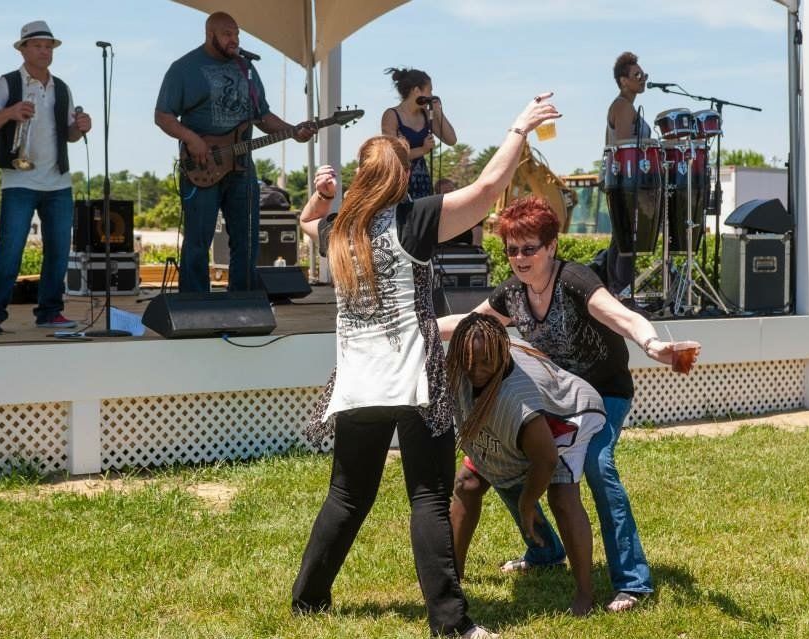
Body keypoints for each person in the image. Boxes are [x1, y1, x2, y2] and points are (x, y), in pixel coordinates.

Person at [293, 95, 560, 638]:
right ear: (399, 177)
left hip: (355, 384)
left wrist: (320, 196)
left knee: (346, 496)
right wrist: (519, 126)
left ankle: (308, 601)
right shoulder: (412, 220)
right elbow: (487, 191)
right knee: (428, 498)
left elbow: (306, 224)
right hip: (414, 381)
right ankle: (451, 624)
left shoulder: (339, 231)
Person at [439, 195, 700, 613]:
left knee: (597, 466)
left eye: (530, 248)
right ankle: (543, 549)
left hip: (602, 394)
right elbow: (467, 323)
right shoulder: (513, 293)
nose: (520, 258)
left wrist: (653, 345)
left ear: (551, 247)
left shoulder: (575, 280)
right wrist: (413, 332)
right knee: (494, 462)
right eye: (512, 249)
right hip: (555, 396)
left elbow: (622, 316)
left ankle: (633, 583)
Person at [446, 313, 606, 616]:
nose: (475, 370)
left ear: (501, 355)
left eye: (484, 363)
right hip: (528, 426)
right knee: (467, 483)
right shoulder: (461, 367)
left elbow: (544, 461)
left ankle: (585, 593)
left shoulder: (519, 402)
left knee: (561, 497)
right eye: (469, 361)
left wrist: (527, 503)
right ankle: (452, 578)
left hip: (566, 417)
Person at [155, 11, 313, 293]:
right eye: (227, 34)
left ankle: (242, 302)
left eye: (237, 34)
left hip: (241, 168)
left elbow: (262, 116)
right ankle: (195, 305)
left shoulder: (246, 68)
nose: (234, 39)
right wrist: (191, 138)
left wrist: (293, 131)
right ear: (210, 34)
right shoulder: (184, 68)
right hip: (202, 165)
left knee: (247, 239)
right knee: (198, 239)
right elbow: (163, 116)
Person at [0, 20, 92, 333]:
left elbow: (68, 136)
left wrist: (79, 126)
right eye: (38, 45)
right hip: (19, 180)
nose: (44, 51)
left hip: (58, 181)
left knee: (58, 251)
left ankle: (50, 311)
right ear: (23, 49)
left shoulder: (62, 87)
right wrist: (10, 113)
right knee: (10, 249)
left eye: (48, 46)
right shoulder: (6, 83)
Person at [604, 51, 652, 298]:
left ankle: (617, 292)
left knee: (620, 237)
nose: (643, 78)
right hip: (626, 181)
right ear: (624, 81)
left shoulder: (626, 105)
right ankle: (622, 294)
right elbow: (625, 147)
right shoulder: (622, 106)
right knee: (626, 238)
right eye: (638, 75)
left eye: (643, 74)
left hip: (622, 181)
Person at [380, 67, 457, 200]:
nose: (431, 94)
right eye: (429, 90)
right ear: (416, 91)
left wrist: (438, 112)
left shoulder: (426, 114)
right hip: (399, 181)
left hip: (422, 181)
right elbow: (392, 155)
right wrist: (423, 149)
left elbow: (451, 140)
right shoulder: (391, 115)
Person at [435, 178, 483, 247]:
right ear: (438, 195)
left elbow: (477, 240)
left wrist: (474, 250)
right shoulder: (435, 214)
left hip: (467, 252)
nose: (450, 194)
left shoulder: (470, 210)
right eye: (446, 192)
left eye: (452, 191)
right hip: (443, 253)